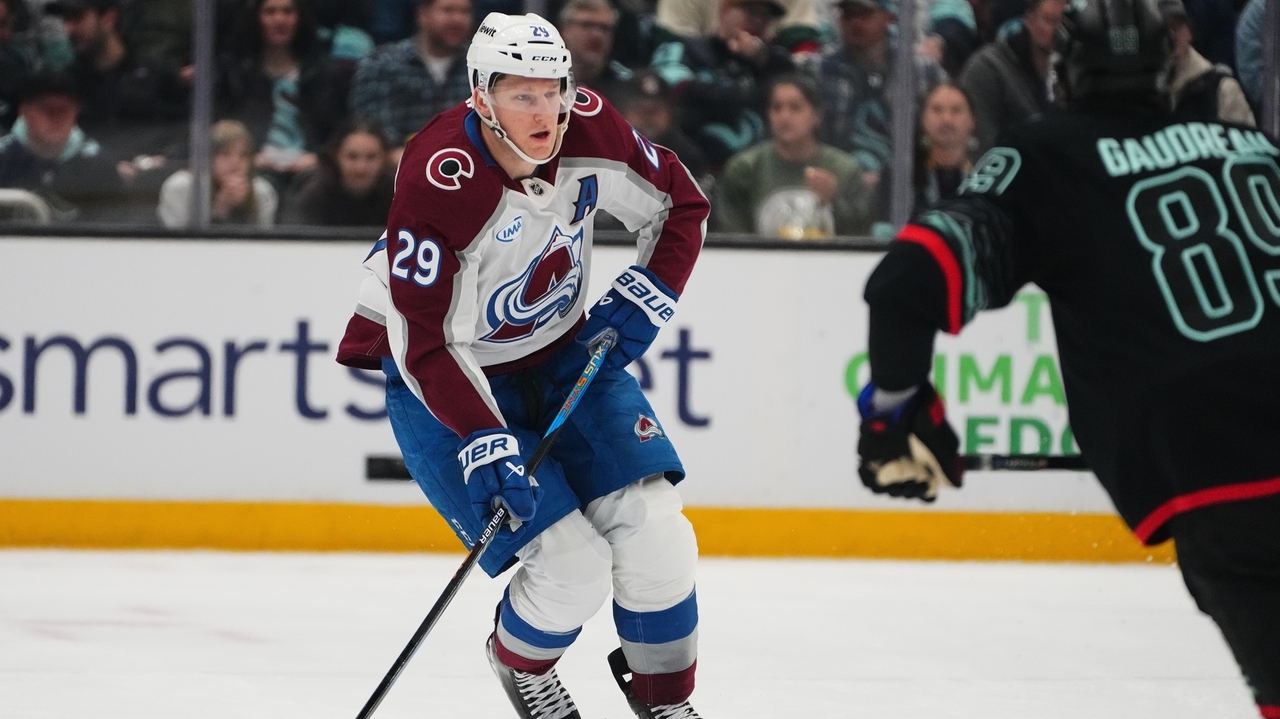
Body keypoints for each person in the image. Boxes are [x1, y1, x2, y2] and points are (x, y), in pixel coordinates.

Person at [853, 0, 1280, 716]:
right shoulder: (1254, 147)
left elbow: (908, 280)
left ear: (1064, 74)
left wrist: (893, 414)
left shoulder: (1046, 154)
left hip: (1222, 475)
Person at [335, 13, 709, 719]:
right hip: (450, 381)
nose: (547, 113)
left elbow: (680, 203)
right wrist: (483, 437)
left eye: (555, 90)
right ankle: (520, 665)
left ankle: (665, 702)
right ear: (482, 96)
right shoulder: (440, 178)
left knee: (659, 532)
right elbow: (428, 342)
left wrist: (649, 289)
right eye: (523, 95)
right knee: (570, 568)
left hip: (564, 356)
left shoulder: (590, 129)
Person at [817, 0, 944, 221]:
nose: (855, 22)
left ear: (888, 15)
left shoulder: (922, 70)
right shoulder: (819, 69)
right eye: (847, 15)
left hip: (910, 193)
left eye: (864, 14)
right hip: (837, 192)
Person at [717, 74, 872, 237]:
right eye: (777, 108)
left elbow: (861, 234)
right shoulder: (744, 169)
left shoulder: (845, 170)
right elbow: (730, 236)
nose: (785, 117)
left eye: (796, 108)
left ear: (817, 116)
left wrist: (833, 202)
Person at [216, 0, 347, 192]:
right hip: (252, 166)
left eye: (288, 11)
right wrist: (248, 157)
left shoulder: (324, 74)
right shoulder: (234, 73)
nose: (279, 20)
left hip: (311, 167)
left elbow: (339, 131)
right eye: (270, 12)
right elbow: (220, 127)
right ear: (256, 18)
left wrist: (320, 158)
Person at [650, 0, 794, 170]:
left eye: (765, 17)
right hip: (690, 167)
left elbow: (796, 83)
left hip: (755, 172)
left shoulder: (769, 62)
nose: (758, 21)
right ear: (724, 12)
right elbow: (668, 87)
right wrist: (736, 93)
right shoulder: (688, 50)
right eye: (750, 11)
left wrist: (760, 56)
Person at [350, 0, 473, 163]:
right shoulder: (382, 64)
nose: (457, 19)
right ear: (422, 15)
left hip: (466, 162)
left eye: (464, 12)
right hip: (395, 163)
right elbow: (369, 127)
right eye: (448, 11)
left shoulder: (480, 66)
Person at [0, 70, 125, 222]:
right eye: (46, 108)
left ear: (76, 113)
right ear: (24, 112)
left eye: (65, 109)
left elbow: (113, 224)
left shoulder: (99, 164)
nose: (56, 118)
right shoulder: (3, 157)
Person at [959, 0, 1065, 154]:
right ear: (1030, 20)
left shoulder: (1081, 77)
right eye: (1050, 21)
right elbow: (983, 146)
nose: (1059, 32)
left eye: (1065, 24)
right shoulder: (989, 68)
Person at [157, 119, 278, 227]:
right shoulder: (181, 188)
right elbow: (179, 241)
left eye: (243, 155)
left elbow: (263, 241)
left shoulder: (262, 191)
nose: (235, 162)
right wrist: (220, 209)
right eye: (225, 154)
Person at [282, 116, 393, 226]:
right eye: (352, 157)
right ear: (335, 155)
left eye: (371, 157)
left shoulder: (397, 194)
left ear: (385, 157)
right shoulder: (314, 192)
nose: (361, 168)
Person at [1161, 0, 1254, 126]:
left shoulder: (1222, 90)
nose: (1171, 37)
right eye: (1163, 30)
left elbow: (1244, 137)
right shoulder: (1141, 90)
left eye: (1176, 27)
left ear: (1189, 31)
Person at [912, 81, 975, 212]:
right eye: (937, 110)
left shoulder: (988, 175)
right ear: (923, 119)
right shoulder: (903, 174)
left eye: (956, 110)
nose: (947, 119)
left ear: (972, 120)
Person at [557, 0, 631, 102]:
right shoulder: (544, 77)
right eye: (587, 25)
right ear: (564, 30)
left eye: (604, 28)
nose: (597, 35)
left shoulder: (626, 85)